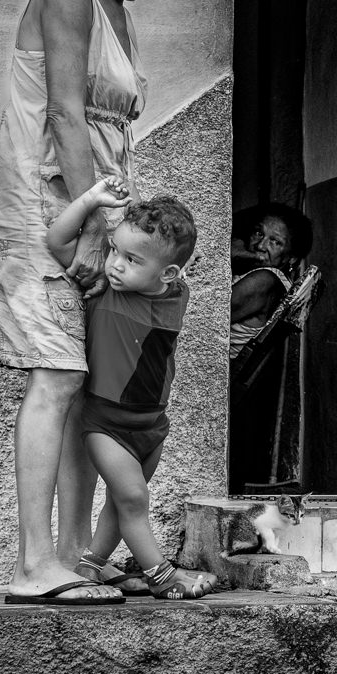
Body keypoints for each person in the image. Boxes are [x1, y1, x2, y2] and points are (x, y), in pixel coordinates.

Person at [0, 0, 203, 604]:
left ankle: (74, 557)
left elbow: (110, 134)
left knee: (82, 388)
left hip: (92, 213)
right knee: (57, 376)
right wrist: (95, 232)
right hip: (40, 206)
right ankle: (34, 565)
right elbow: (66, 116)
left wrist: (121, 228)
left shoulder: (120, 14)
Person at [29, 177, 215, 602]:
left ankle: (90, 565)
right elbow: (57, 240)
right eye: (115, 250)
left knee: (121, 502)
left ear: (169, 274)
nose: (115, 264)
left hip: (153, 424)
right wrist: (90, 200)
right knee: (133, 498)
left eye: (131, 259)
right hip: (105, 423)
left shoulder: (177, 293)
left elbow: (178, 257)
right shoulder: (101, 289)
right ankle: (161, 575)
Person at [229, 201, 314, 361]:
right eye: (258, 233)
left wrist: (228, 252)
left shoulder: (265, 280)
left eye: (275, 242)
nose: (260, 245)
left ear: (292, 258)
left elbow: (207, 314)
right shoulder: (262, 275)